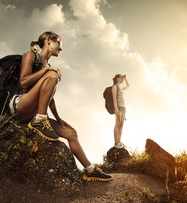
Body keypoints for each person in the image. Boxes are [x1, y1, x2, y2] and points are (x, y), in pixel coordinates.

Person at [10, 31, 112, 182]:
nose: (61, 48)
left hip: (34, 113)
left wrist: (58, 118)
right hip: (20, 105)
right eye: (59, 44)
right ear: (49, 41)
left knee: (71, 132)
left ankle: (90, 170)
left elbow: (48, 98)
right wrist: (47, 71)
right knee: (53, 74)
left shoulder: (49, 67)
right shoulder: (31, 55)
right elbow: (23, 82)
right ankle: (40, 120)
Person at [112, 74, 130, 148]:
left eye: (123, 78)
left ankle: (119, 141)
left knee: (121, 124)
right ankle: (116, 143)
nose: (122, 79)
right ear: (117, 78)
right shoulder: (115, 87)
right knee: (117, 124)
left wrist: (126, 78)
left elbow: (128, 86)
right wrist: (116, 108)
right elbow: (114, 99)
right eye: (121, 78)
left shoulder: (121, 88)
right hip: (118, 107)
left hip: (123, 107)